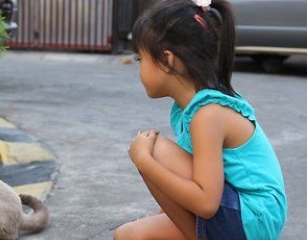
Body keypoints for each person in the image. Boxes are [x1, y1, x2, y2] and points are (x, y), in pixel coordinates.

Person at [114, 0, 287, 239]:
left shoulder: (208, 114)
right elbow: (190, 183)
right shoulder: (187, 110)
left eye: (140, 60)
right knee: (130, 235)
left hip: (253, 220)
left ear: (166, 60)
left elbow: (206, 203)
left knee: (154, 150)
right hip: (236, 213)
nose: (139, 69)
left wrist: (144, 162)